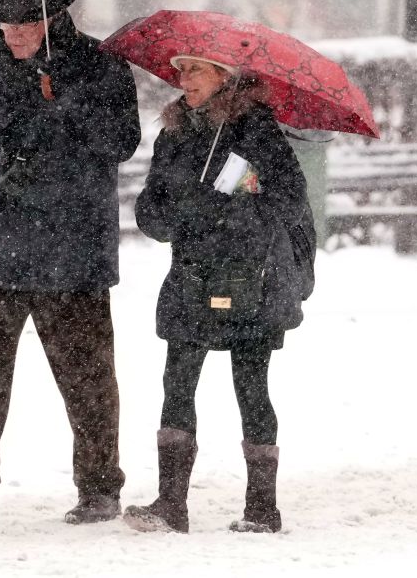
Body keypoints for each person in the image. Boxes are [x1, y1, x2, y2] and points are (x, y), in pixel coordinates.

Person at [0, 0, 140, 526]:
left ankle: (99, 490)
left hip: (71, 246)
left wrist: (64, 95)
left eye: (24, 24)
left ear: (52, 17)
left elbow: (120, 142)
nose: (12, 34)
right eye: (3, 24)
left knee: (85, 374)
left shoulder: (101, 64)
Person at [124, 56, 316, 535]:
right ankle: (171, 504)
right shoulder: (174, 133)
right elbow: (152, 205)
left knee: (251, 386)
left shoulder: (258, 131)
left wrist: (227, 212)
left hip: (249, 279)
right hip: (193, 275)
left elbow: (290, 201)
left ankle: (262, 509)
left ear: (224, 76)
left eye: (196, 70)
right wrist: (169, 216)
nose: (183, 79)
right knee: (177, 382)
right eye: (181, 70)